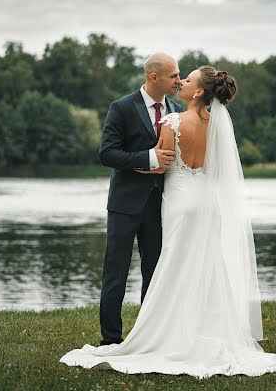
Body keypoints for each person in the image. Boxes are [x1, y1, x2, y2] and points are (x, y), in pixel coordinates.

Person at [60, 65, 276, 377]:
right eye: (178, 76)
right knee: (207, 265)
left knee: (173, 264)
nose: (181, 82)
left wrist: (145, 167)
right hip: (207, 202)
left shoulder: (173, 119)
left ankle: (168, 334)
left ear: (199, 91)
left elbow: (161, 165)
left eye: (186, 79)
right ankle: (208, 332)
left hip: (180, 202)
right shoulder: (217, 125)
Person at [97, 52, 183, 346]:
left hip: (160, 206)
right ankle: (110, 340)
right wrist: (148, 158)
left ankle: (147, 339)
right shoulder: (121, 107)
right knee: (115, 274)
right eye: (173, 75)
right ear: (153, 76)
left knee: (155, 275)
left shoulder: (177, 109)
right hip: (124, 205)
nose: (178, 80)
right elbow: (107, 153)